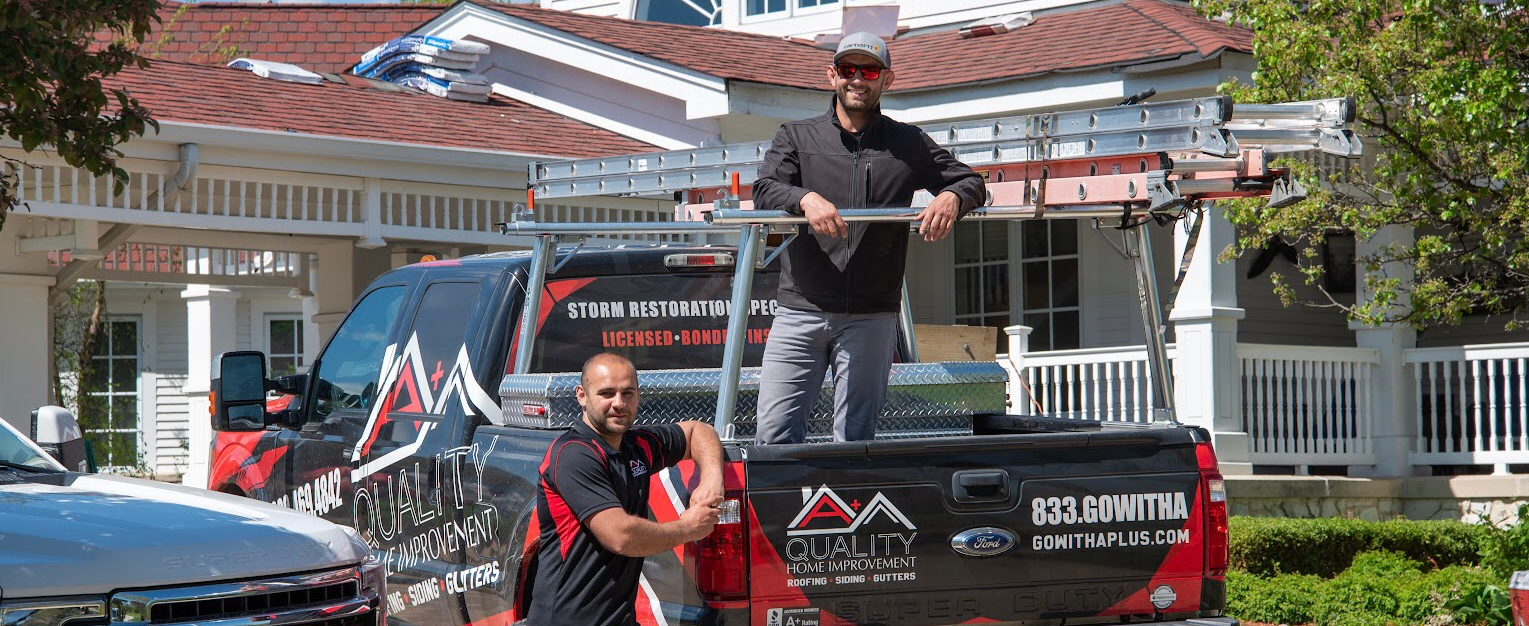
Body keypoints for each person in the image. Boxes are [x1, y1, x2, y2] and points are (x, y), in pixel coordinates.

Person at [752, 31, 986, 444]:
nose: (857, 79)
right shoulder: (797, 136)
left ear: (886, 80)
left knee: (857, 441)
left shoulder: (908, 142)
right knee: (774, 438)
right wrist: (805, 198)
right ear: (832, 76)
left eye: (869, 70)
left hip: (872, 316)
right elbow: (765, 188)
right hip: (800, 311)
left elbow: (971, 182)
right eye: (848, 69)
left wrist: (951, 196)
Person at [524, 353, 724, 626]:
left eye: (627, 393)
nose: (619, 403)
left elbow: (698, 431)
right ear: (582, 396)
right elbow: (621, 536)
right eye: (607, 393)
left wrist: (712, 479)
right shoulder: (573, 454)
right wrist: (689, 527)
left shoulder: (636, 445)